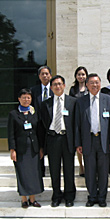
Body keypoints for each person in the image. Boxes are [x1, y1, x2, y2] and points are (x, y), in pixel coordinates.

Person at [75, 73, 110, 208]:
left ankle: (102, 197)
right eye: (91, 83)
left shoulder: (108, 100)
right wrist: (78, 143)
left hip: (103, 141)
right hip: (88, 140)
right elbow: (77, 124)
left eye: (97, 82)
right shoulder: (80, 101)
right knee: (90, 171)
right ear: (86, 85)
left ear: (100, 84)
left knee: (103, 171)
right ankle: (92, 196)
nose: (94, 85)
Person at [39, 75, 77, 208]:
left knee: (69, 169)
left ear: (64, 85)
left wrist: (77, 143)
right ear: (51, 87)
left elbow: (76, 124)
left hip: (67, 139)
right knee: (54, 170)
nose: (57, 86)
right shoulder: (45, 104)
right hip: (53, 139)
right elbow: (42, 125)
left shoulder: (72, 101)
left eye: (60, 84)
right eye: (54, 84)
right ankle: (56, 195)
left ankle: (69, 196)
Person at [7, 88, 44, 208]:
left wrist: (41, 148)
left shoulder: (34, 113)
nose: (26, 100)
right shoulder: (13, 114)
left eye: (28, 97)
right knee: (22, 173)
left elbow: (39, 132)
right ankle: (24, 199)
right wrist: (12, 150)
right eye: (24, 97)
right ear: (19, 99)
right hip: (20, 149)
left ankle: (32, 199)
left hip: (33, 148)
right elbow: (10, 133)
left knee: (33, 173)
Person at [30, 65, 54, 177]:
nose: (45, 76)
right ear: (39, 76)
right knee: (39, 149)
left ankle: (54, 171)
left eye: (47, 73)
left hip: (53, 125)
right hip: (38, 125)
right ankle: (40, 171)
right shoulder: (33, 90)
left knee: (52, 150)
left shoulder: (55, 88)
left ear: (50, 75)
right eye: (42, 74)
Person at [69, 66, 89, 177]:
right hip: (76, 117)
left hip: (87, 117)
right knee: (78, 143)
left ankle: (87, 166)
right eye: (79, 74)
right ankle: (81, 166)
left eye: (83, 74)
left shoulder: (89, 87)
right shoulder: (73, 89)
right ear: (76, 76)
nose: (81, 76)